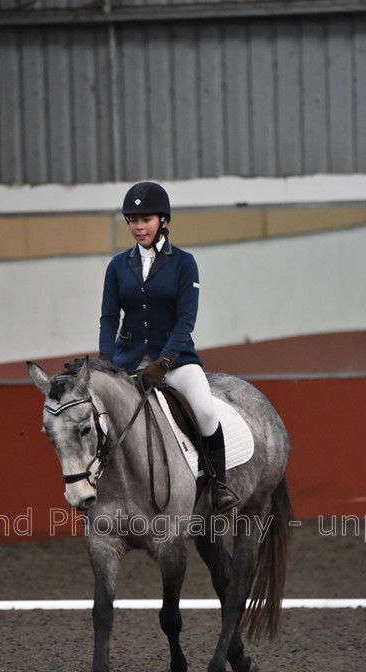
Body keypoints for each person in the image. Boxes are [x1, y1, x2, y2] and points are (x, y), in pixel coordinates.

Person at [98, 181, 237, 514]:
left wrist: (164, 361)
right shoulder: (118, 266)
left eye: (145, 219)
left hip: (176, 361)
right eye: (132, 220)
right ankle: (99, 489)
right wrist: (106, 362)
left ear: (162, 220)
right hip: (128, 360)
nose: (137, 227)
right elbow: (108, 317)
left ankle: (218, 485)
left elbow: (186, 320)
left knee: (204, 409)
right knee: (101, 416)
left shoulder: (184, 263)